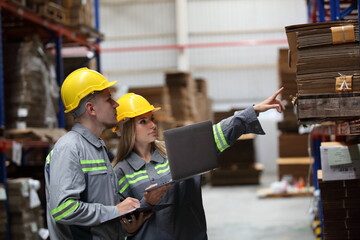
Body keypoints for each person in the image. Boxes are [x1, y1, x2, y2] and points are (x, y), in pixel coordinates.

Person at [111, 88, 285, 239]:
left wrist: (253, 111)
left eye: (152, 119)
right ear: (127, 129)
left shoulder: (175, 152)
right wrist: (145, 204)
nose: (153, 125)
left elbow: (215, 135)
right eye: (143, 121)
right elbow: (115, 223)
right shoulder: (120, 173)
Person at [44, 68, 150, 240]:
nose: (116, 104)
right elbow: (63, 210)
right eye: (109, 99)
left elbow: (99, 210)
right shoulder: (69, 148)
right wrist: (116, 210)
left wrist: (125, 228)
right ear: (91, 108)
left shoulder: (97, 147)